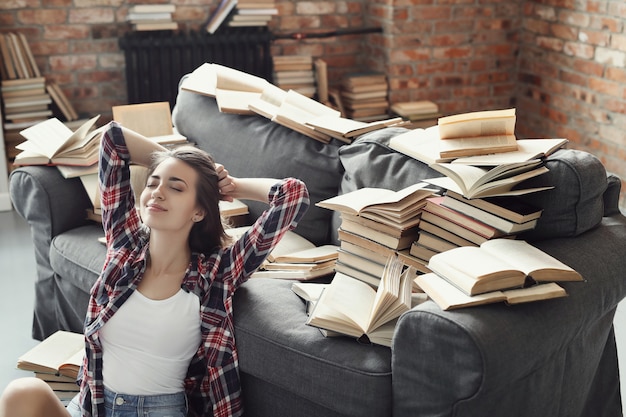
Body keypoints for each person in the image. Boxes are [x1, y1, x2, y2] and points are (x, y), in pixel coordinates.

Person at [0, 121, 309, 417]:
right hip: (92, 406)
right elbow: (113, 138)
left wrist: (228, 185)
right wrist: (172, 161)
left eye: (176, 188)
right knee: (23, 394)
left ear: (200, 210)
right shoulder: (124, 247)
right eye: (153, 182)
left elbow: (292, 196)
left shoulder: (218, 272)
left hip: (157, 411)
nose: (157, 192)